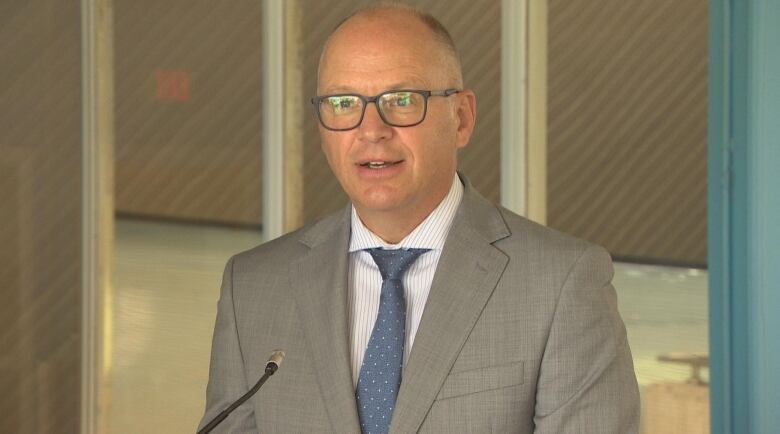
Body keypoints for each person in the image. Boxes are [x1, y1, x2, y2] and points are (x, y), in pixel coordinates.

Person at [199, 4, 640, 433]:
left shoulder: (561, 284)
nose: (371, 130)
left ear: (462, 118)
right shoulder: (252, 287)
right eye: (342, 103)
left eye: (402, 100)